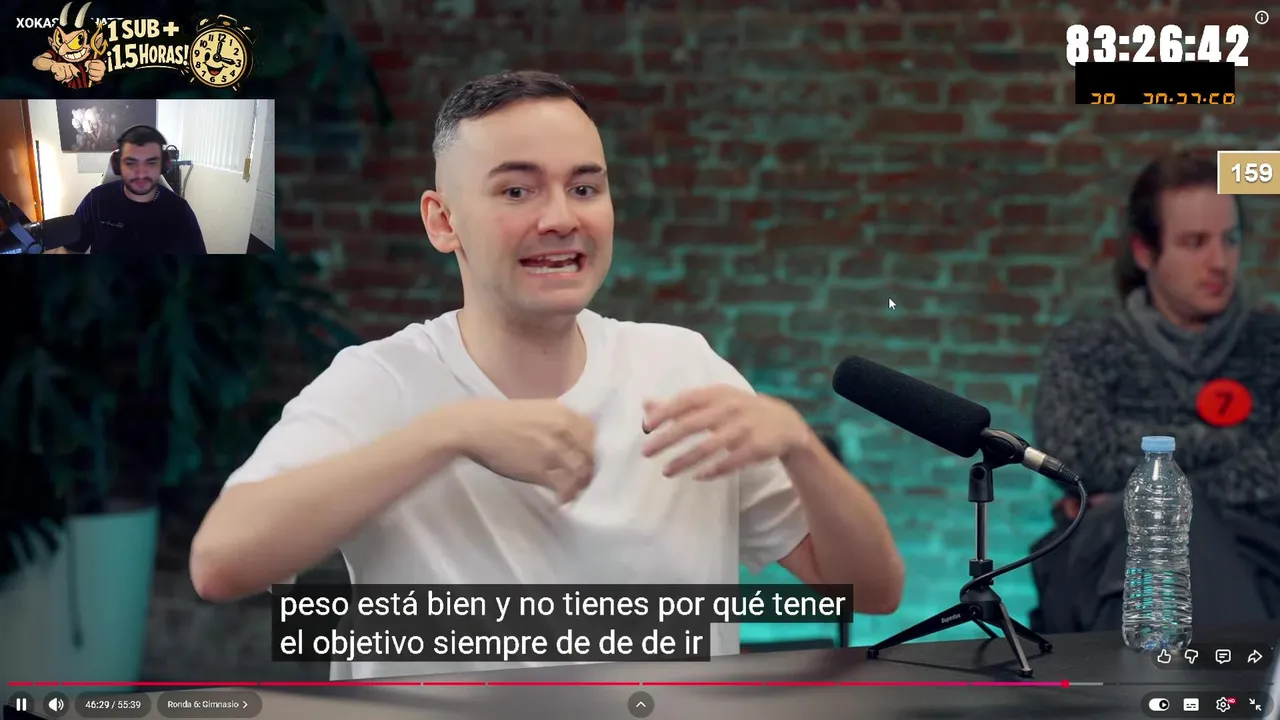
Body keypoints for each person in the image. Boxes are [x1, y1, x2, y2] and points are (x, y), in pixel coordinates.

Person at [189, 70, 904, 680]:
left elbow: (871, 591)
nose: (561, 218)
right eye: (516, 192)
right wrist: (449, 434)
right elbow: (221, 564)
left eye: (585, 188)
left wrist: (799, 447)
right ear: (443, 222)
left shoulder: (681, 365)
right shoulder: (381, 382)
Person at [1029, 151, 1280, 633]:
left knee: (1171, 524)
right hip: (1108, 558)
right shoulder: (1086, 347)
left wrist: (1148, 489)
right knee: (1154, 539)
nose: (1220, 262)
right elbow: (1077, 454)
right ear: (1145, 251)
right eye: (1195, 243)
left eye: (1230, 240)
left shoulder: (1272, 345)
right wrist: (1234, 443)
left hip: (1259, 556)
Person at [52, 125, 206, 254]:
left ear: (163, 165)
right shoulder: (96, 201)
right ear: (118, 165)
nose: (141, 173)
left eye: (151, 162)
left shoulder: (180, 211)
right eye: (131, 163)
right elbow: (69, 250)